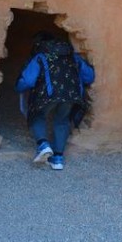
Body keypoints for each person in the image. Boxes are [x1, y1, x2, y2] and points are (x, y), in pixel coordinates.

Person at [14, 32, 95, 170]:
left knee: (37, 115)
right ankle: (58, 158)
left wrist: (18, 87)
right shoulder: (72, 56)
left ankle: (43, 145)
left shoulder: (40, 57)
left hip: (47, 95)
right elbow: (89, 77)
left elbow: (28, 80)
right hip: (71, 95)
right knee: (62, 120)